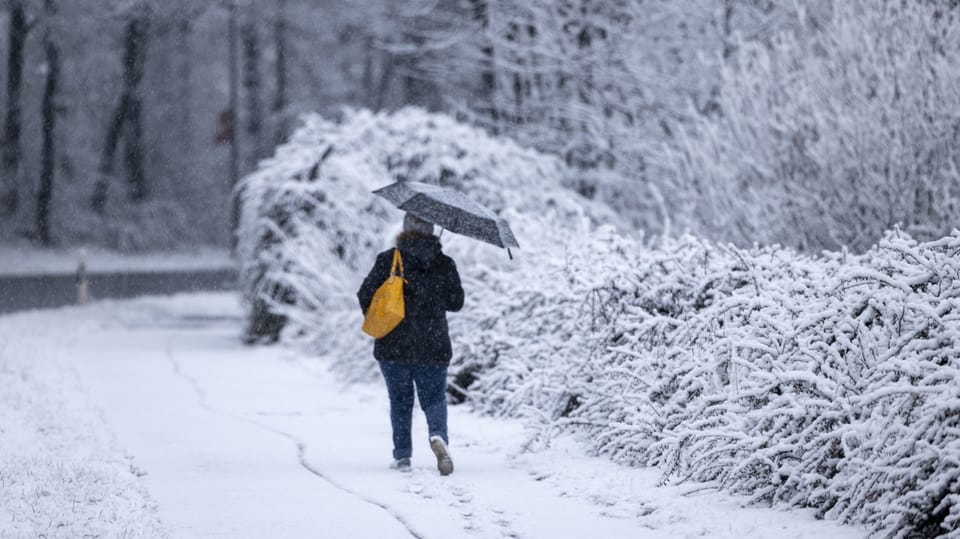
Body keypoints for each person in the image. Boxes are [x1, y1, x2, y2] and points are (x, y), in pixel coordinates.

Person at [358, 213, 464, 475]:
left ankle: (403, 456)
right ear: (431, 230)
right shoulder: (445, 264)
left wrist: (384, 315)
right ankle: (438, 437)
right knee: (434, 399)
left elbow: (365, 294)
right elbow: (456, 302)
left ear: (405, 228)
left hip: (393, 345)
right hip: (433, 345)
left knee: (400, 401)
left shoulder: (389, 259)